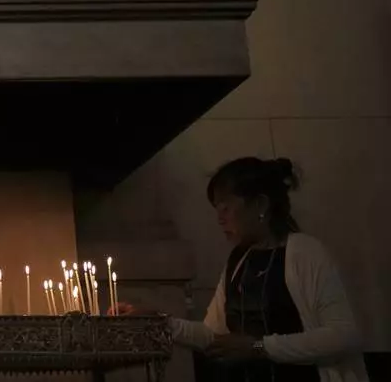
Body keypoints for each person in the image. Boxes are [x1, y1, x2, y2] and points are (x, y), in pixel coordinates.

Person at [114, 157, 367, 381]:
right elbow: (212, 335)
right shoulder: (239, 260)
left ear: (259, 205)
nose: (220, 219)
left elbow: (342, 336)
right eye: (217, 210)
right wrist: (157, 322)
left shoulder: (305, 253)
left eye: (226, 208)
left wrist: (259, 347)